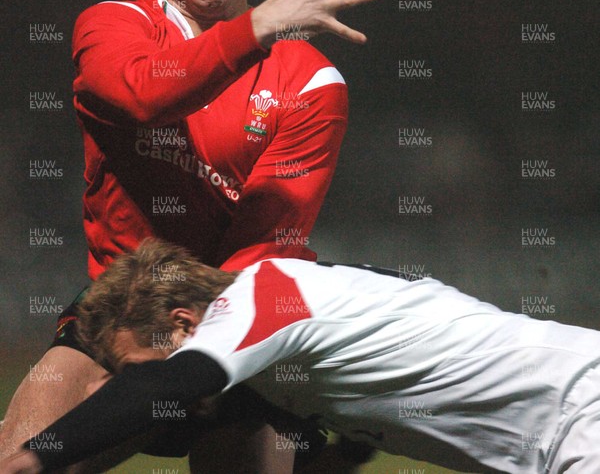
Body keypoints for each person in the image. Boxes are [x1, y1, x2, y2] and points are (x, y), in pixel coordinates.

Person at [0, 0, 382, 469]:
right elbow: (141, 95)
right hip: (117, 319)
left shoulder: (309, 80)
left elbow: (262, 244)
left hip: (232, 316)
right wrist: (259, 26)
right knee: (18, 461)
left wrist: (197, 345)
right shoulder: (110, 26)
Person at [2, 237, 600, 474]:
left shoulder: (265, 293)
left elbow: (166, 387)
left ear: (182, 323)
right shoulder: (281, 353)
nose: (144, 381)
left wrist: (32, 459)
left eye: (140, 362)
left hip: (583, 409)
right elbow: (358, 444)